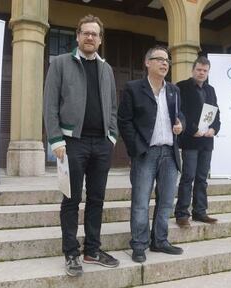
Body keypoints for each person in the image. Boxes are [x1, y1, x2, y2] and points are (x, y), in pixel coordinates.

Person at [43, 15, 119, 277]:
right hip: (71, 143)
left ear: (100, 39)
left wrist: (111, 137)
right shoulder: (61, 63)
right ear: (77, 36)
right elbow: (50, 104)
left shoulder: (106, 69)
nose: (90, 37)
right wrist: (55, 139)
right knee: (71, 199)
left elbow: (112, 107)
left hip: (101, 144)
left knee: (97, 199)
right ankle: (71, 252)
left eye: (94, 34)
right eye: (85, 33)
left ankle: (92, 250)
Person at [118, 46, 185, 263]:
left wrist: (181, 124)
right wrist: (137, 149)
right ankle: (139, 244)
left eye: (167, 60)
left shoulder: (174, 90)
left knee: (166, 201)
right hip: (146, 152)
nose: (165, 63)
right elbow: (124, 121)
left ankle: (160, 240)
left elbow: (180, 115)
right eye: (160, 59)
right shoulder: (134, 88)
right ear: (148, 63)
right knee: (140, 201)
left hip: (170, 153)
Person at [174, 56, 221, 228]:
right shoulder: (181, 87)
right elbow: (180, 112)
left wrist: (214, 129)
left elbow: (216, 113)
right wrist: (193, 129)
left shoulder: (211, 90)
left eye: (205, 70)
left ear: (208, 72)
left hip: (207, 142)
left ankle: (200, 212)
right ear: (193, 70)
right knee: (188, 177)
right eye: (199, 70)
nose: (201, 73)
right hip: (190, 140)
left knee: (202, 178)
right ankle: (181, 214)